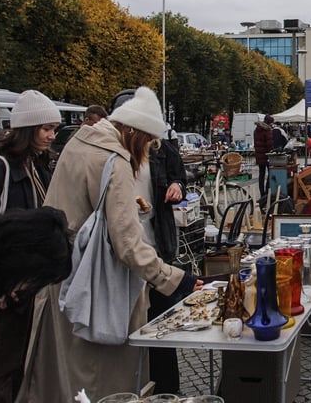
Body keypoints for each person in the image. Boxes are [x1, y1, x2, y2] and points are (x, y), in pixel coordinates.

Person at [18, 86, 200, 402]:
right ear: (133, 132)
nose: (147, 150)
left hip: (60, 277)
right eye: (147, 141)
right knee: (102, 383)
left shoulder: (78, 143)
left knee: (63, 380)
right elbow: (127, 244)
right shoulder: (114, 160)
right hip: (96, 288)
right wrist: (175, 279)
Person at [0, 90, 62, 403]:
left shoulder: (37, 165)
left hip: (31, 285)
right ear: (28, 129)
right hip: (7, 288)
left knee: (22, 363)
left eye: (54, 129)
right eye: (46, 129)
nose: (52, 136)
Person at [110, 89, 187, 394]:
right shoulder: (110, 154)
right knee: (127, 327)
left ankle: (168, 390)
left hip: (157, 243)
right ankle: (132, 389)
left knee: (161, 325)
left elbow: (180, 177)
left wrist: (177, 186)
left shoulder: (161, 149)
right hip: (123, 254)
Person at [254, 115, 274, 197]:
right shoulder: (267, 130)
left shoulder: (256, 130)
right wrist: (272, 151)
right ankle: (267, 190)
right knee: (270, 172)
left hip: (259, 155)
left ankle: (261, 193)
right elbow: (270, 144)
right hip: (267, 155)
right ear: (269, 122)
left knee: (261, 174)